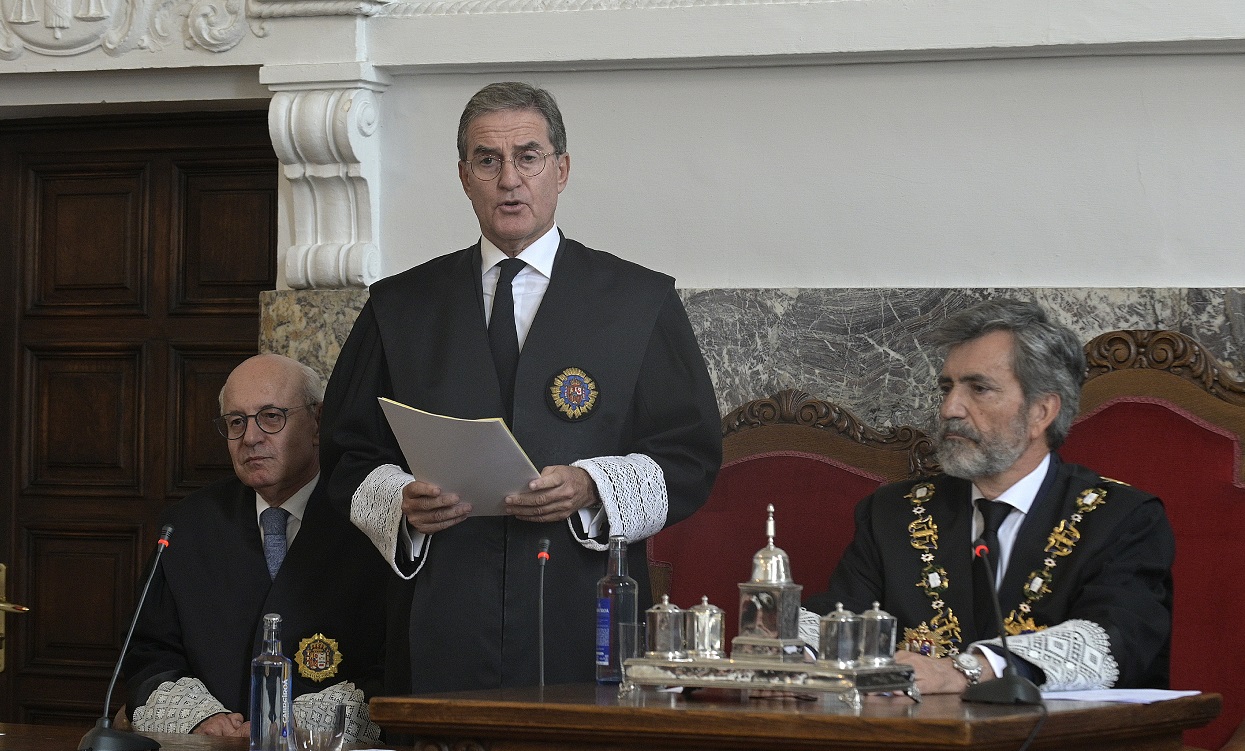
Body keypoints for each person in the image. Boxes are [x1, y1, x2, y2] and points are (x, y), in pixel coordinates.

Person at [320, 81, 722, 693]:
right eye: (488, 160)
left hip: (584, 609)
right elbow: (347, 455)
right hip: (442, 613)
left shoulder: (640, 302)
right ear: (463, 175)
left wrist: (593, 486)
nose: (510, 178)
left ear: (560, 170)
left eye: (527, 157)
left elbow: (690, 457)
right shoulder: (399, 308)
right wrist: (400, 500)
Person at [803, 298, 1174, 694]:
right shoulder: (892, 512)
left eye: (978, 388)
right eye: (947, 388)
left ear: (1041, 412)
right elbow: (838, 617)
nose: (949, 409)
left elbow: (1112, 639)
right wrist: (795, 656)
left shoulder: (1122, 518)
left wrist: (964, 672)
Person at [123, 354, 388, 741]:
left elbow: (401, 659)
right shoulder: (187, 526)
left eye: (271, 417)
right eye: (236, 422)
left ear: (318, 422)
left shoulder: (370, 520)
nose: (250, 438)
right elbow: (149, 653)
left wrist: (298, 727)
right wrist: (201, 719)